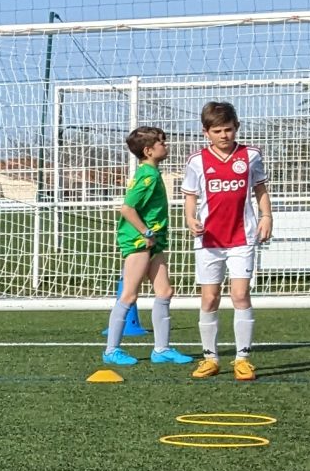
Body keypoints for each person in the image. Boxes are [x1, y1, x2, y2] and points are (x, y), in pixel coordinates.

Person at [180, 100, 271, 382]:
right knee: (209, 298)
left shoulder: (251, 156)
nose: (224, 136)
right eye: (217, 131)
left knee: (240, 295)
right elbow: (190, 196)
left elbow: (260, 189)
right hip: (209, 239)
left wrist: (266, 216)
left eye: (228, 130)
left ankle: (243, 358)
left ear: (237, 128)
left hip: (241, 237)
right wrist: (190, 218)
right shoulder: (196, 161)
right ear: (206, 132)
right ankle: (210, 358)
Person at [102, 126, 184, 367]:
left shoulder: (152, 173)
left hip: (154, 241)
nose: (166, 146)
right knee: (129, 294)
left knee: (165, 291)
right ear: (149, 150)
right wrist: (145, 232)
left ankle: (162, 349)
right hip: (140, 242)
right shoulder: (146, 176)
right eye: (162, 142)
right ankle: (111, 350)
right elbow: (127, 208)